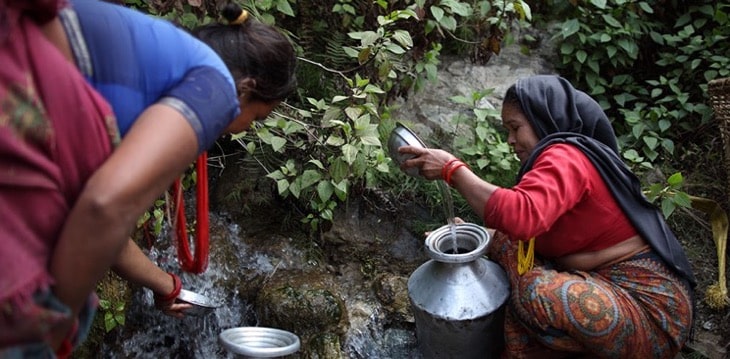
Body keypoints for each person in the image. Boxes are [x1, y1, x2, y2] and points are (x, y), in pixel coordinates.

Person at [0, 0, 296, 356]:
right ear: (246, 89)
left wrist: (166, 286)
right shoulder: (215, 87)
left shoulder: (163, 60)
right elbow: (105, 208)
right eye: (257, 117)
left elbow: (105, 230)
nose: (241, 128)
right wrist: (53, 326)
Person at [399, 75, 696, 358]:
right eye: (507, 130)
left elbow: (522, 217)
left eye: (516, 128)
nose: (510, 140)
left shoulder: (566, 156)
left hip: (652, 314)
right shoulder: (558, 161)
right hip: (605, 285)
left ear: (544, 119)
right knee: (508, 245)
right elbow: (525, 227)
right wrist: (477, 236)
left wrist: (453, 169)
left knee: (535, 291)